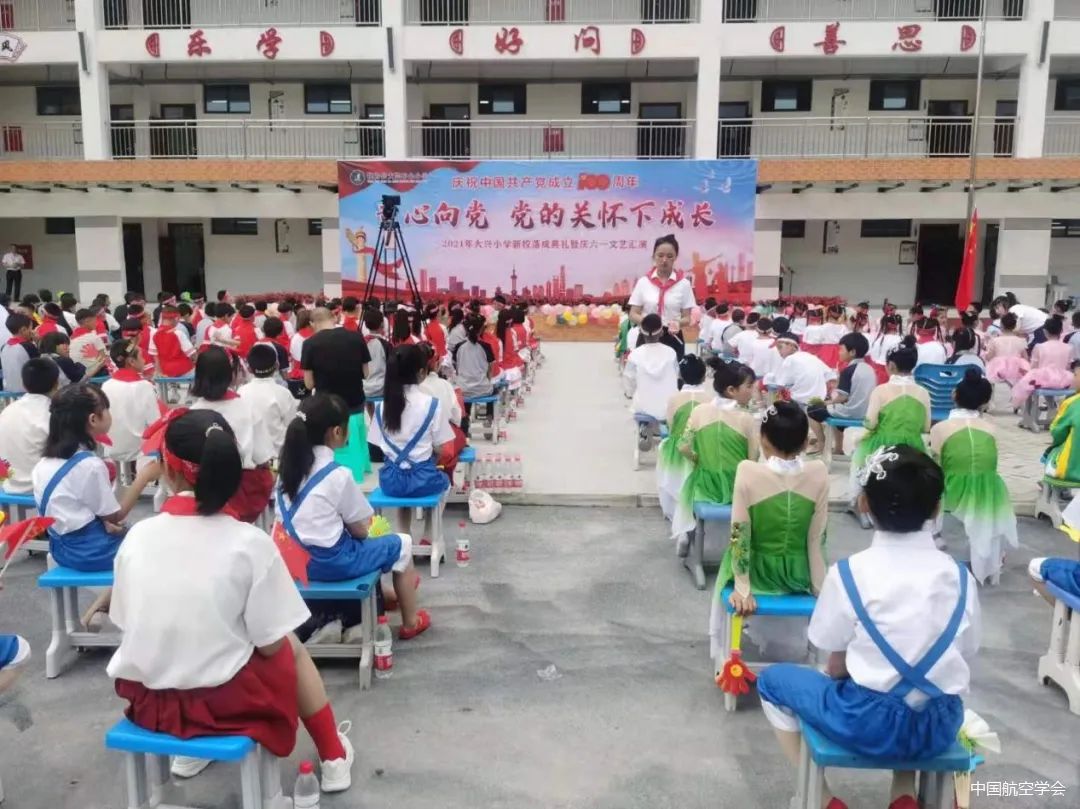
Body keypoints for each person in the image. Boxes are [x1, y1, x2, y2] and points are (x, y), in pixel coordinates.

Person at [105, 410, 354, 791]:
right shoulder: (249, 544)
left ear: (167, 473)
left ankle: (189, 751)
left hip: (151, 701)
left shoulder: (137, 537)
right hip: (224, 702)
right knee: (291, 646)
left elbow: (124, 621)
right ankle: (334, 755)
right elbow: (270, 645)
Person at [756, 446, 980, 809]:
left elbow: (832, 659)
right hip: (937, 725)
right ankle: (904, 791)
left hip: (866, 723)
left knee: (773, 682)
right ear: (937, 508)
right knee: (916, 688)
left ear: (864, 504)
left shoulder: (848, 574)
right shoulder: (960, 577)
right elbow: (966, 650)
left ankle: (825, 798)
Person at [276, 393, 430, 647]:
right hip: (331, 563)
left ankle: (384, 598)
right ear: (337, 432)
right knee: (400, 544)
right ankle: (411, 623)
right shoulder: (338, 475)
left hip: (293, 561)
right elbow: (360, 530)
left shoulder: (286, 472)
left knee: (359, 544)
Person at [708, 402, 828, 658]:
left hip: (756, 573)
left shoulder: (747, 471)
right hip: (798, 575)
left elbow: (739, 534)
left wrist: (743, 586)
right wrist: (820, 587)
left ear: (763, 439)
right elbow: (816, 539)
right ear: (805, 443)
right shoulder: (818, 473)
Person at [33, 384, 159, 571]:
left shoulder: (43, 463)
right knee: (153, 545)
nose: (110, 414)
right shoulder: (89, 465)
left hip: (60, 547)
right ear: (93, 419)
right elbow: (115, 516)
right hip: (91, 552)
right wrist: (145, 477)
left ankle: (103, 601)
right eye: (107, 409)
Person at [928, 369, 1017, 585]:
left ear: (954, 395)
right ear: (985, 402)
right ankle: (985, 558)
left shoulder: (941, 428)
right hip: (989, 493)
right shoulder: (991, 429)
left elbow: (935, 463)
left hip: (952, 492)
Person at [671, 359, 759, 544]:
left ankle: (688, 535)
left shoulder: (700, 411)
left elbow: (683, 446)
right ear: (731, 390)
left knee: (691, 484)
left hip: (705, 485)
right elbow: (752, 459)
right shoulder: (746, 419)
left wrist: (698, 460)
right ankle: (738, 550)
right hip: (736, 486)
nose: (753, 391)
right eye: (749, 386)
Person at [849, 337, 931, 527]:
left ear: (891, 365)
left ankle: (860, 506)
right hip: (912, 443)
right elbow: (926, 427)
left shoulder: (881, 390)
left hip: (882, 444)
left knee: (858, 463)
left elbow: (870, 423)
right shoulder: (923, 392)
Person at [189, 347, 275, 523]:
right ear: (230, 374)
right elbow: (262, 456)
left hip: (201, 493)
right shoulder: (247, 408)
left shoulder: (190, 413)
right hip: (243, 493)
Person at [370, 344, 454, 502]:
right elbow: (440, 448)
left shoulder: (381, 407)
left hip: (390, 482)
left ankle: (404, 527)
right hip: (423, 480)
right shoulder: (432, 404)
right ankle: (430, 526)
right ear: (422, 373)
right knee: (445, 481)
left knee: (403, 485)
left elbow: (377, 444)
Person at [302, 306, 372, 482]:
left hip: (327, 406)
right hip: (355, 402)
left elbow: (309, 383)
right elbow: (366, 373)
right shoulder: (356, 337)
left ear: (312, 323)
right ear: (334, 318)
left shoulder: (309, 344)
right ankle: (361, 467)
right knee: (357, 433)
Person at [656, 355, 712, 521]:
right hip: (701, 449)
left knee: (664, 446)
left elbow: (671, 427)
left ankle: (675, 513)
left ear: (680, 375)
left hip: (678, 451)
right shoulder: (709, 399)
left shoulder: (674, 399)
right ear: (704, 376)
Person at [628, 234, 696, 359]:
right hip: (647, 337)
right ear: (653, 256)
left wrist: (677, 323)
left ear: (675, 257)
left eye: (669, 256)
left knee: (673, 376)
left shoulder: (684, 284)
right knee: (643, 375)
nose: (664, 260)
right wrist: (650, 324)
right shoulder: (643, 282)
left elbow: (687, 318)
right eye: (660, 255)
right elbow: (633, 314)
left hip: (672, 337)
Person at [808, 332, 876, 456]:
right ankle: (838, 449)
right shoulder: (870, 369)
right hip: (867, 412)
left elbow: (842, 397)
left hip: (851, 412)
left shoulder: (848, 370)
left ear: (852, 352)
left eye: (841, 349)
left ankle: (822, 443)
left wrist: (825, 402)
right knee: (833, 409)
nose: (839, 352)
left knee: (812, 409)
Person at [0, 358, 58, 494]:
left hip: (8, 485)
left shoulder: (8, 410)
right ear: (56, 384)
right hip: (43, 488)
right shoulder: (52, 414)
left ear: (24, 385)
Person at [101, 339, 162, 468]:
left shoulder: (106, 385)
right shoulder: (144, 386)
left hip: (111, 448)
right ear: (131, 361)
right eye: (141, 356)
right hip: (138, 450)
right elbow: (155, 423)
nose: (144, 360)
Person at [239, 344, 298, 457]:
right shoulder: (283, 393)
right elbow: (292, 425)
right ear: (276, 365)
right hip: (278, 455)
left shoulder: (242, 392)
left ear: (249, 369)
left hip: (251, 456)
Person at [622, 313, 679, 426]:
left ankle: (644, 429)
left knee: (637, 397)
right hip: (670, 406)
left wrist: (629, 393)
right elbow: (676, 375)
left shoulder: (635, 354)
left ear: (641, 333)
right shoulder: (671, 352)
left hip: (643, 406)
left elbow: (629, 378)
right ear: (662, 332)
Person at [1011, 317, 1073, 412]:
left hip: (1044, 378)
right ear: (1061, 331)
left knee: (1026, 381)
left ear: (1045, 331)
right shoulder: (1068, 348)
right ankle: (1051, 407)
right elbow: (1068, 367)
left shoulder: (1040, 347)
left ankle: (1028, 412)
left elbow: (1033, 367)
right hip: (1064, 379)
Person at [767, 332, 837, 409]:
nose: (779, 351)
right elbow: (832, 376)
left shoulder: (789, 359)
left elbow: (781, 385)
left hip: (800, 401)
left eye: (780, 347)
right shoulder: (810, 356)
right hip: (818, 400)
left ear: (791, 346)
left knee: (772, 385)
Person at [1042, 360, 1080, 481]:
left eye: (1075, 375)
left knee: (1051, 453)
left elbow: (1057, 432)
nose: (1073, 379)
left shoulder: (1072, 403)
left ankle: (1058, 492)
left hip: (1072, 471)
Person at [984, 313, 1030, 387]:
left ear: (1001, 325)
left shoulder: (995, 340)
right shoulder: (1021, 340)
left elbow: (989, 357)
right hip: (1016, 369)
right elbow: (1025, 357)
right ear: (1014, 326)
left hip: (998, 369)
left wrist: (985, 354)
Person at [1, 312, 38, 392]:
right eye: (31, 328)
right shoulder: (28, 346)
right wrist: (37, 342)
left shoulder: (4, 347)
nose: (32, 331)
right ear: (23, 330)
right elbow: (40, 367)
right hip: (27, 392)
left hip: (9, 392)